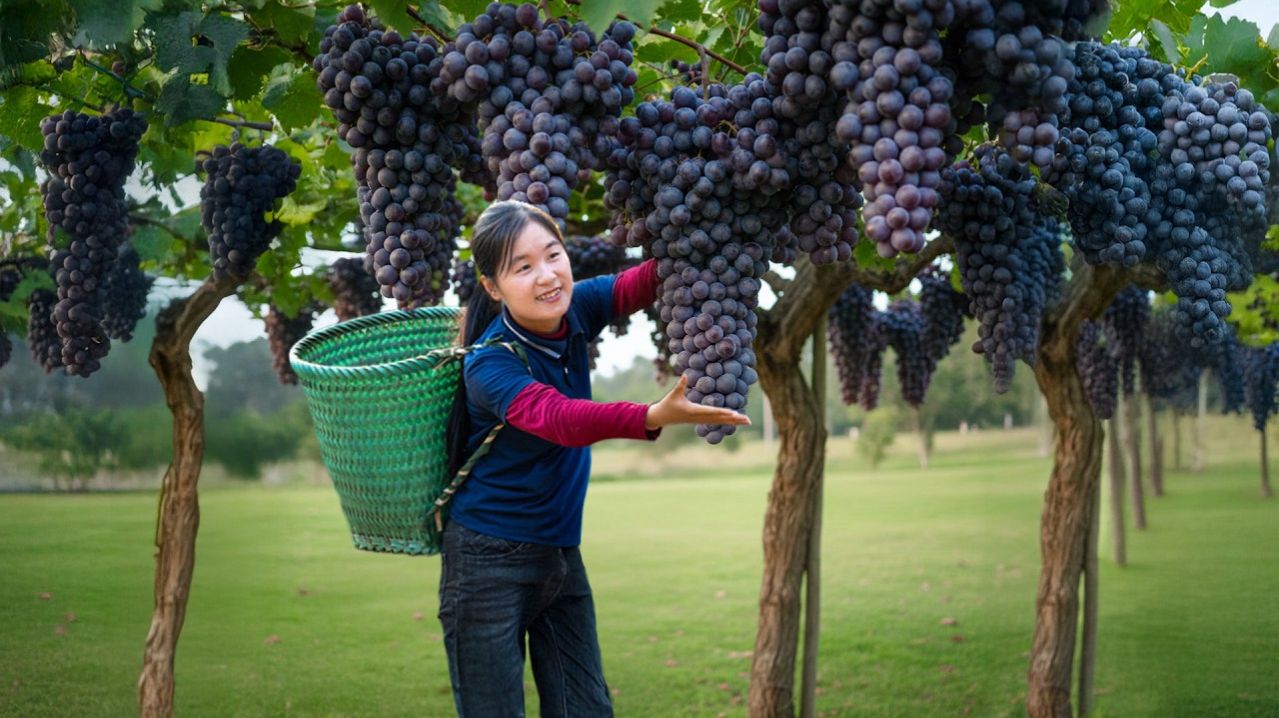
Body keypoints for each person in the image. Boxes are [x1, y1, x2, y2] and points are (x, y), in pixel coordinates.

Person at [439, 200, 749, 717]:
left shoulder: (575, 307)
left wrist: (712, 219)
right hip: (486, 561)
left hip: (558, 553)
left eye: (553, 254)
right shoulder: (489, 363)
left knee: (586, 709)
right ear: (492, 286)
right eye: (523, 267)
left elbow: (644, 281)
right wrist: (651, 415)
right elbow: (559, 418)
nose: (547, 276)